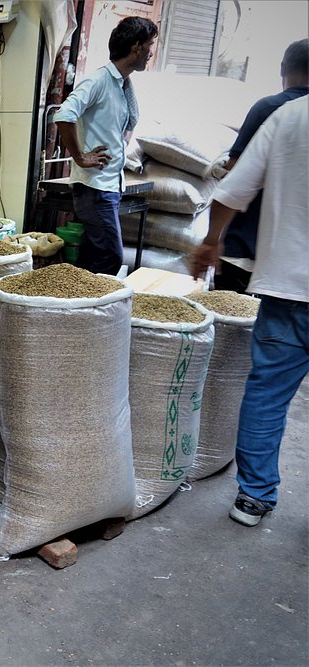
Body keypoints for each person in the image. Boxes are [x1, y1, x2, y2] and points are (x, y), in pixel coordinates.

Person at [189, 95, 308, 527]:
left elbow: (235, 189)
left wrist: (211, 240)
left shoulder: (291, 116)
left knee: (267, 395)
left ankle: (253, 497)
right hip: (284, 289)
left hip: (287, 287)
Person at [54, 17, 159, 275]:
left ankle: (74, 307)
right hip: (94, 189)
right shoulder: (100, 81)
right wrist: (80, 157)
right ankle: (89, 310)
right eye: (149, 45)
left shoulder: (121, 85)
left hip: (108, 187)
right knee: (111, 257)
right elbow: (64, 114)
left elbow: (123, 124)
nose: (150, 53)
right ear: (136, 47)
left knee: (92, 258)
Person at [215, 39, 308, 292]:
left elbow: (234, 175)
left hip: (244, 247)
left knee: (231, 326)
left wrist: (211, 240)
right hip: (289, 265)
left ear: (282, 68)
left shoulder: (270, 108)